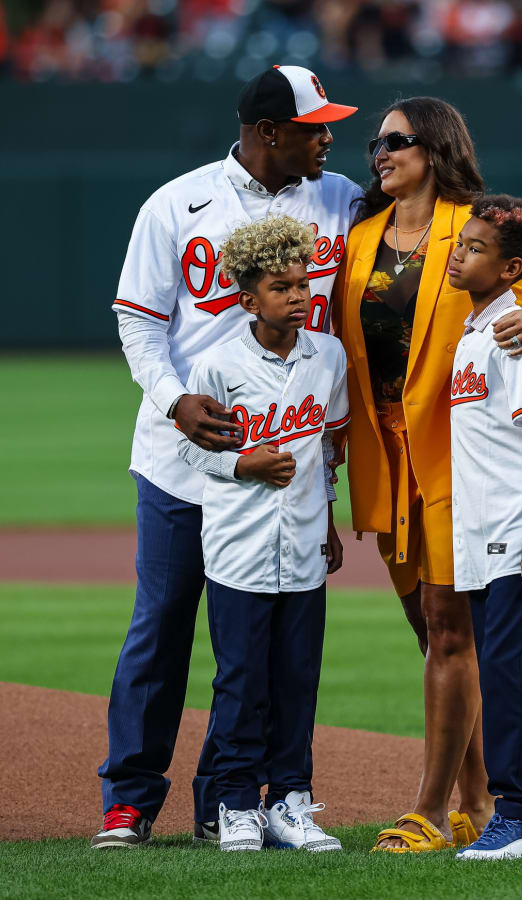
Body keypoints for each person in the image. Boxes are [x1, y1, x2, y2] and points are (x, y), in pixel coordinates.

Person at [92, 64, 360, 850]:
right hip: (184, 458)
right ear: (269, 132)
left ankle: (228, 800)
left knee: (262, 643)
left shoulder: (341, 197)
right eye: (316, 127)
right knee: (165, 626)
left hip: (284, 468)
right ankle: (130, 800)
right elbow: (139, 323)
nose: (329, 138)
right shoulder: (177, 203)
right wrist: (175, 400)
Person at [331, 96, 522, 853]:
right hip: (385, 456)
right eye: (375, 142)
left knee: (448, 629)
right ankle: (478, 798)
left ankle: (430, 812)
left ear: (434, 148)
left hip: (452, 459)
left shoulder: (471, 228)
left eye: (395, 140)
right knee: (429, 632)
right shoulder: (361, 236)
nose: (378, 151)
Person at [176, 215, 349, 853]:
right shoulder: (217, 363)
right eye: (282, 288)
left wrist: (329, 521)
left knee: (298, 680)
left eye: (303, 285)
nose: (298, 297)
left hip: (303, 547)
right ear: (249, 298)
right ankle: (235, 805)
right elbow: (192, 454)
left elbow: (329, 448)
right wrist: (240, 463)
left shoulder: (326, 356)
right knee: (242, 683)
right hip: (237, 549)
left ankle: (292, 804)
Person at [444, 194, 522, 861]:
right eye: (459, 242)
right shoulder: (474, 332)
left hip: (520, 534)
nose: (458, 253)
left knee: (504, 674)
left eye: (475, 247)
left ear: (510, 267)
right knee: (512, 675)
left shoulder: (511, 334)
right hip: (491, 532)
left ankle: (515, 817)